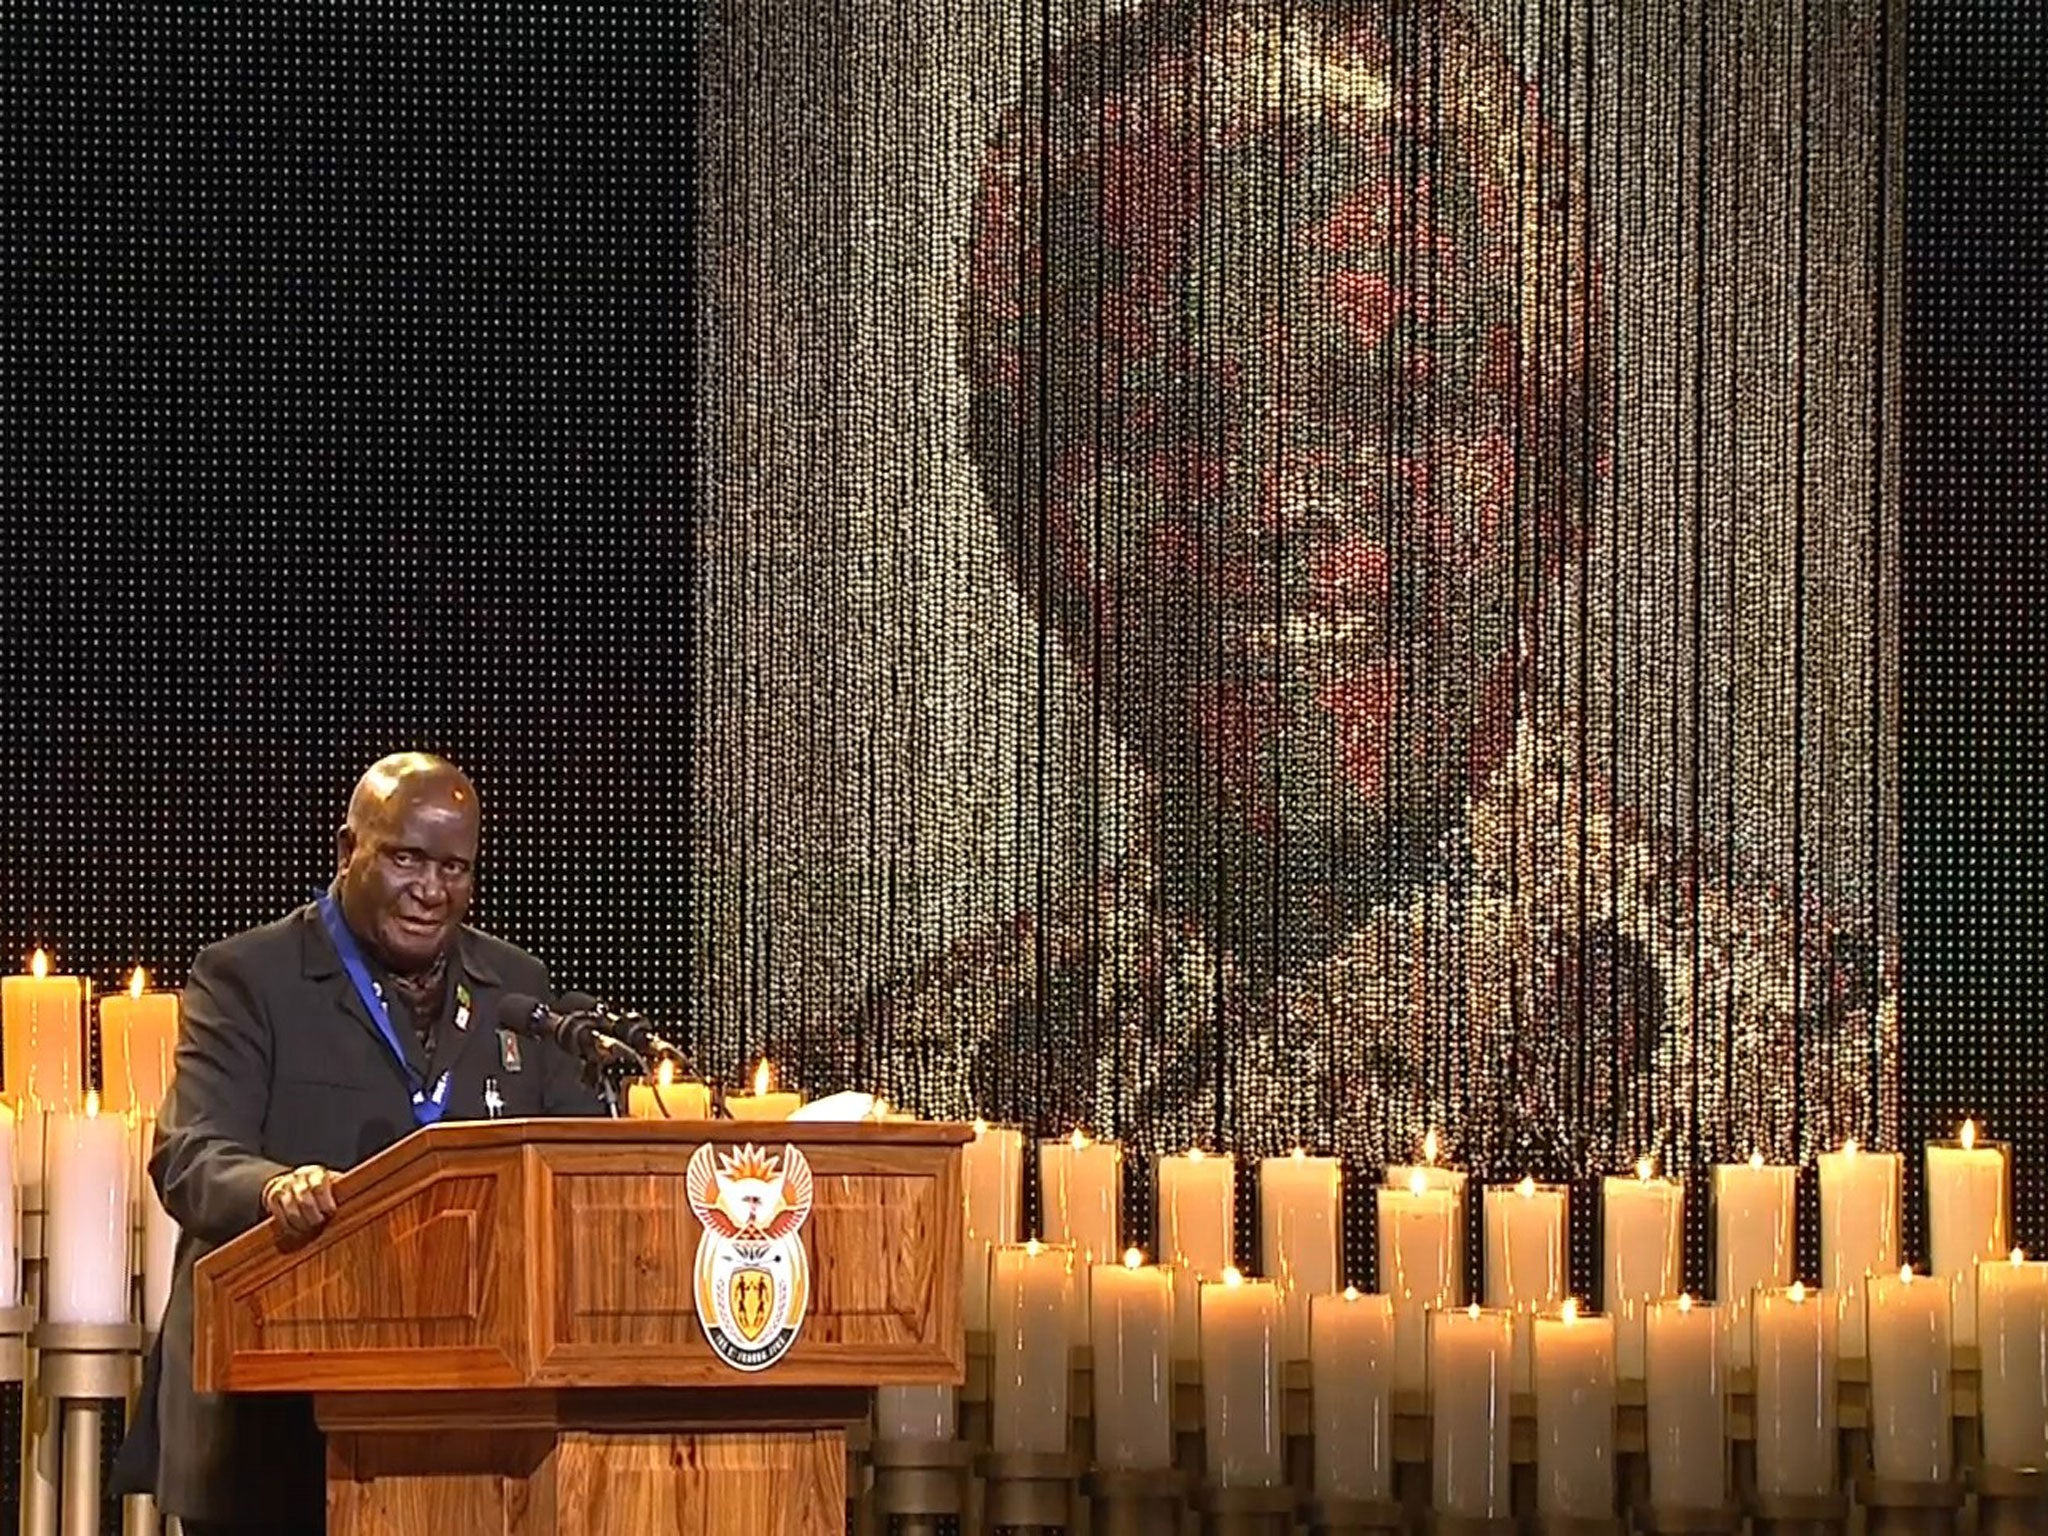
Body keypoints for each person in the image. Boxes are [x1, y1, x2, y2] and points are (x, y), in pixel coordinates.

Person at [851, 0, 1888, 1179]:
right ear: (1019, 513)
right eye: (1156, 420)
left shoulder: (1822, 1091)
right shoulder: (888, 1121)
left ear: (1562, 466)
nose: (1272, 503)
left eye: (1382, 404)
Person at [111, 752, 603, 1534]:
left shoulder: (515, 988)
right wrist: (276, 1188)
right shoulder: (249, 977)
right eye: (406, 858)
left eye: (454, 867)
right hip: (271, 1416)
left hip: (469, 1423)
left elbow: (581, 1165)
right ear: (349, 852)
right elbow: (191, 1153)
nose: (431, 890)